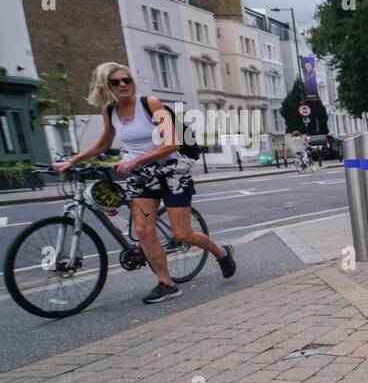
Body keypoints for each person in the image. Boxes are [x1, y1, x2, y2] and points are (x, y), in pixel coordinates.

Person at [53, 63, 236, 303]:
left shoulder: (149, 103)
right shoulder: (109, 111)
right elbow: (103, 144)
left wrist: (133, 161)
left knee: (182, 233)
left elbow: (172, 144)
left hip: (171, 172)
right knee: (142, 231)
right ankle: (166, 284)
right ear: (105, 86)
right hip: (142, 175)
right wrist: (71, 160)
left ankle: (221, 252)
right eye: (116, 82)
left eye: (126, 79)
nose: (123, 85)